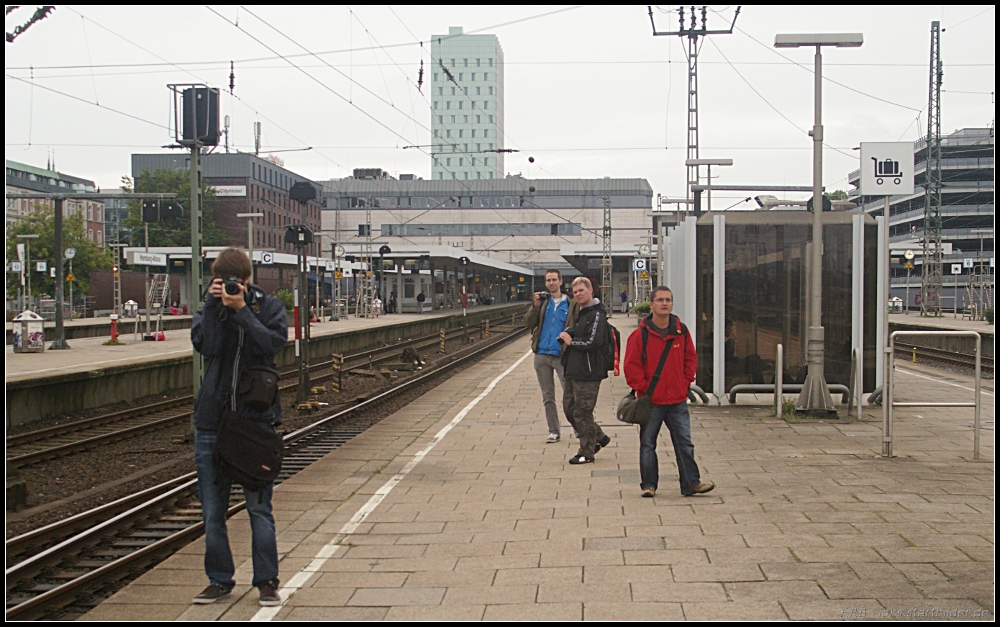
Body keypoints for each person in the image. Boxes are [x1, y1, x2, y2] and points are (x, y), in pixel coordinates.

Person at [190, 247, 288, 607]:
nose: (230, 288)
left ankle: (266, 581)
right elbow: (207, 347)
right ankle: (219, 579)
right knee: (212, 512)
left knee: (259, 509)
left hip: (255, 424)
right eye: (222, 283)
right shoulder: (211, 307)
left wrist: (243, 311)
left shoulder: (268, 307)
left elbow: (271, 346)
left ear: (248, 280)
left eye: (236, 283)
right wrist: (217, 308)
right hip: (212, 424)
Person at [623, 286, 714, 498]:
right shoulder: (640, 335)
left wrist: (684, 383)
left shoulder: (681, 331)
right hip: (650, 401)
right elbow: (632, 366)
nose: (665, 303)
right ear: (652, 304)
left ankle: (691, 483)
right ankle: (649, 485)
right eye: (660, 300)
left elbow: (690, 358)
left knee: (684, 442)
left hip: (676, 399)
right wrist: (643, 387)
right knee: (648, 443)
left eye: (668, 300)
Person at [559, 277, 612, 464]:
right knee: (570, 409)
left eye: (582, 290)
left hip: (589, 371)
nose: (578, 294)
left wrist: (571, 342)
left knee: (582, 412)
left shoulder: (597, 314)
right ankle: (599, 437)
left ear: (590, 290)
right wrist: (571, 332)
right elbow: (582, 333)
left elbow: (593, 342)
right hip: (574, 369)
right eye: (575, 292)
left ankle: (587, 452)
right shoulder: (582, 312)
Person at [524, 269, 578, 443]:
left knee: (570, 395)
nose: (551, 283)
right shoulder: (543, 303)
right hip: (541, 354)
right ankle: (553, 431)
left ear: (561, 282)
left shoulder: (570, 303)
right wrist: (535, 306)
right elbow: (528, 323)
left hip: (561, 355)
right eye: (548, 280)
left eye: (554, 279)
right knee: (548, 396)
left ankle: (579, 429)